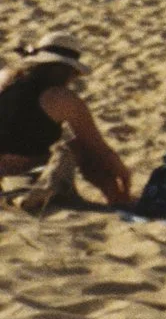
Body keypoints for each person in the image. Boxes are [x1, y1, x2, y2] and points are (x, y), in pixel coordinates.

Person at [0, 33, 134, 213]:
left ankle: (21, 194)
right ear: (68, 71)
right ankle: (117, 199)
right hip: (24, 167)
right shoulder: (63, 99)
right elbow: (98, 148)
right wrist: (123, 174)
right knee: (79, 147)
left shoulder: (6, 77)